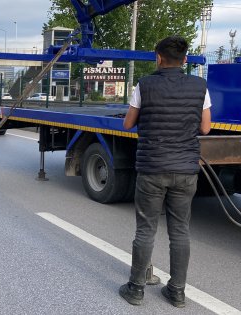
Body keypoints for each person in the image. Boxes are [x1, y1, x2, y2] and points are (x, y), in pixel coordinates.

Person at [119, 35, 211, 308]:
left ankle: (136, 289)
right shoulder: (200, 86)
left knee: (146, 229)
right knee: (180, 231)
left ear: (158, 58)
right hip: (185, 170)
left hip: (152, 168)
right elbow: (205, 129)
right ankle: (177, 292)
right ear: (184, 60)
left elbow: (127, 124)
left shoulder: (145, 84)